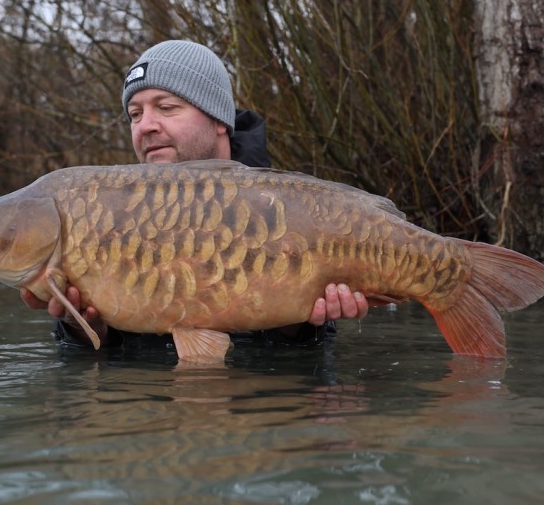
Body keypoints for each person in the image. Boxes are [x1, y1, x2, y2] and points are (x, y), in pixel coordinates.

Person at [21, 40, 369, 349]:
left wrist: (300, 325)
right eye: (135, 114)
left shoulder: (288, 208)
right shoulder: (108, 217)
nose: (145, 126)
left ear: (219, 120)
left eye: (166, 107)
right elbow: (98, 366)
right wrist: (85, 329)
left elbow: (307, 362)